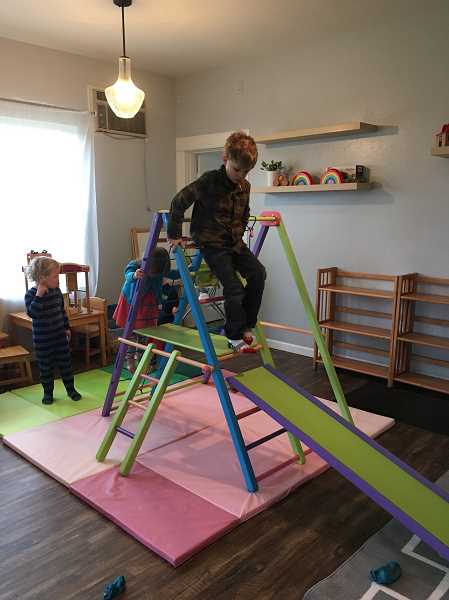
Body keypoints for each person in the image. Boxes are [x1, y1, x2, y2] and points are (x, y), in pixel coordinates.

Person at [167, 131, 266, 352]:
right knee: (234, 288)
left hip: (234, 242)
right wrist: (174, 234)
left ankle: (247, 325)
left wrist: (239, 232)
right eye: (237, 169)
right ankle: (233, 335)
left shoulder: (244, 187)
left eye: (246, 171)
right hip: (211, 243)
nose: (241, 175)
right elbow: (179, 201)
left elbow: (244, 212)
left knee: (259, 273)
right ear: (225, 159)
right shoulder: (209, 181)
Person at [25, 256, 81, 405]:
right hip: (43, 340)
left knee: (66, 365)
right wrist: (39, 295)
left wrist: (67, 327)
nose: (58, 279)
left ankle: (71, 390)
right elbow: (33, 313)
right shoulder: (31, 294)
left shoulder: (56, 292)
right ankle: (48, 393)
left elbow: (62, 311)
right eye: (55, 276)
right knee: (46, 368)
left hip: (59, 336)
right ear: (42, 278)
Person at [113, 247, 180, 371]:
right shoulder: (137, 265)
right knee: (131, 334)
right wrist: (134, 275)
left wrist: (187, 270)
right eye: (154, 273)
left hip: (148, 303)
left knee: (145, 334)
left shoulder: (160, 269)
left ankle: (141, 359)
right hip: (132, 302)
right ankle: (130, 360)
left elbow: (173, 273)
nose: (156, 276)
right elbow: (127, 274)